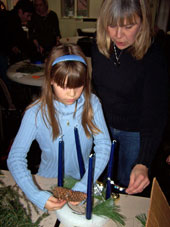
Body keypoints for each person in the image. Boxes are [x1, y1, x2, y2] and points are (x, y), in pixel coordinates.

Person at [7, 43, 111, 211]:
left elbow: (104, 145)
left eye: (78, 85)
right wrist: (36, 194)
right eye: (63, 85)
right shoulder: (36, 113)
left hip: (83, 182)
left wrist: (85, 184)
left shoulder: (92, 104)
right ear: (51, 80)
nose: (72, 93)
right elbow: (15, 158)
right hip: (47, 184)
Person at [92, 0, 169, 195]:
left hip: (135, 133)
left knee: (128, 188)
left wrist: (143, 161)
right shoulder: (98, 48)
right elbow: (96, 91)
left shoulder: (154, 56)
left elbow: (155, 112)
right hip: (102, 128)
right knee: (99, 185)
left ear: (142, 23)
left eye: (128, 26)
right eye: (112, 25)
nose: (119, 35)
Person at [0, 0, 33, 85]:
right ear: (20, 11)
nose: (29, 18)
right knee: (6, 81)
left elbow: (21, 40)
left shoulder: (13, 19)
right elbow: (22, 41)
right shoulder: (9, 19)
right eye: (28, 15)